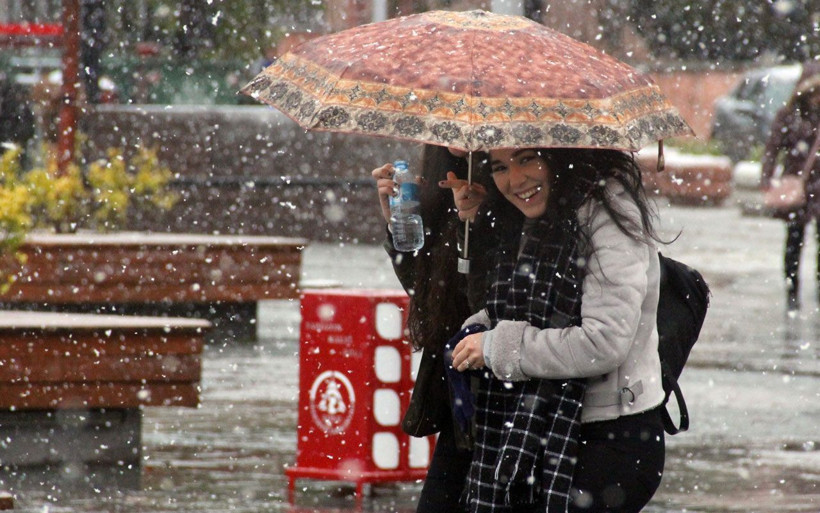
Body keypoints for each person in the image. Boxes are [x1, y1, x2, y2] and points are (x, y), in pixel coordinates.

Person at [449, 147, 667, 512]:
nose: (515, 179)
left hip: (609, 436)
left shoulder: (608, 212)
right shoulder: (540, 213)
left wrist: (497, 346)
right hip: (542, 428)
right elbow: (526, 305)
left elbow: (602, 342)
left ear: (558, 154)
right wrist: (482, 326)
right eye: (500, 166)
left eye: (526, 158)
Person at [371, 144, 494, 513]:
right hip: (461, 394)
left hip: (503, 389)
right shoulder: (442, 180)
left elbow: (492, 299)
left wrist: (477, 225)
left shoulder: (508, 179)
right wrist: (397, 224)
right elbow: (426, 292)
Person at [760, 62, 820, 312]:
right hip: (797, 185)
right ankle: (792, 290)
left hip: (818, 186)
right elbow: (772, 148)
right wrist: (766, 178)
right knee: (795, 240)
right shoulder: (789, 115)